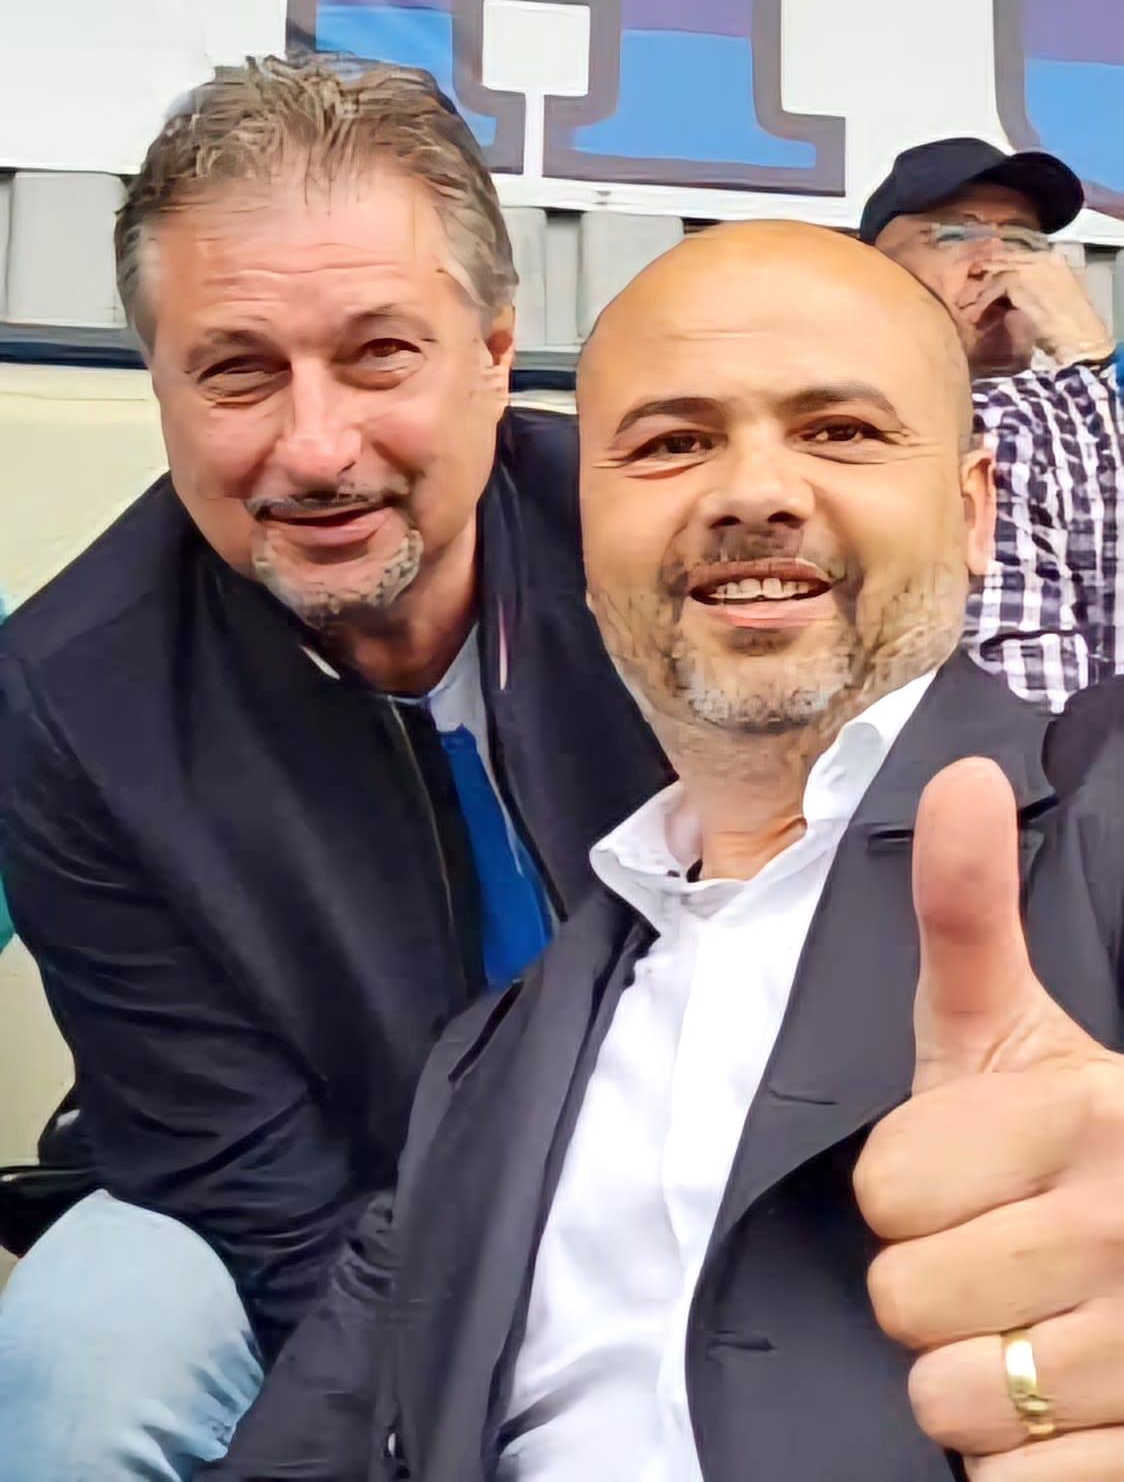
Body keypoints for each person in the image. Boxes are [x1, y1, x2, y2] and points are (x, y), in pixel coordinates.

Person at [211, 220, 1124, 1481]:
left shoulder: (1097, 814)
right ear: (586, 534)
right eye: (671, 443)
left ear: (971, 510)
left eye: (838, 431)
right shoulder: (489, 1063)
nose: (752, 490)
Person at [0, 56, 667, 1481]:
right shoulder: (69, 699)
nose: (315, 449)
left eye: (378, 355)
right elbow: (239, 1164)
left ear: (495, 351)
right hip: (314, 1198)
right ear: (161, 386)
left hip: (674, 1182)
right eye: (238, 370)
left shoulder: (664, 555)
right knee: (84, 1356)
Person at [862, 136, 1122, 712]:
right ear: (875, 271)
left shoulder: (1083, 397)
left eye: (1025, 240)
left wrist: (1090, 355)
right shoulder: (851, 425)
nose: (996, 262)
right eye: (956, 234)